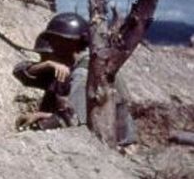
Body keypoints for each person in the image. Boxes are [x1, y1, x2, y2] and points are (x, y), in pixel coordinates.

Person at [13, 13, 136, 144]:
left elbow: (74, 120)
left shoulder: (84, 73)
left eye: (55, 40)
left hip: (113, 144)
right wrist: (47, 64)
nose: (52, 45)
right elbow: (20, 72)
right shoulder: (88, 64)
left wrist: (40, 117)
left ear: (69, 43)